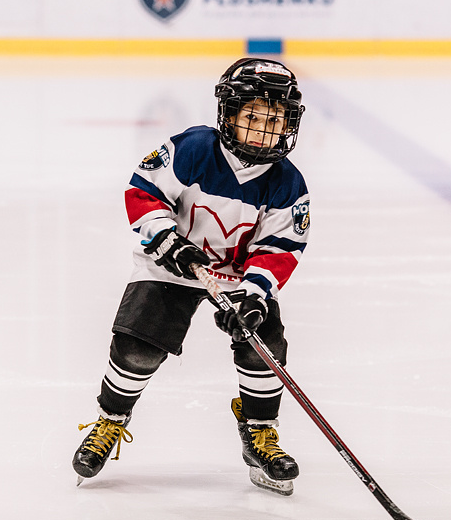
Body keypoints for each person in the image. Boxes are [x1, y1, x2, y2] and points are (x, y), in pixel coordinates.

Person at [72, 57, 311, 495]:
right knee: (138, 346)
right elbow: (143, 191)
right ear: (229, 114)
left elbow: (280, 248)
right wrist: (165, 240)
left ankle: (259, 430)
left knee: (265, 348)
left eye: (275, 119)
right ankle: (110, 420)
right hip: (172, 264)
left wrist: (254, 295)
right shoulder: (193, 149)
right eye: (253, 116)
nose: (264, 129)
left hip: (238, 278)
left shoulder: (287, 183)